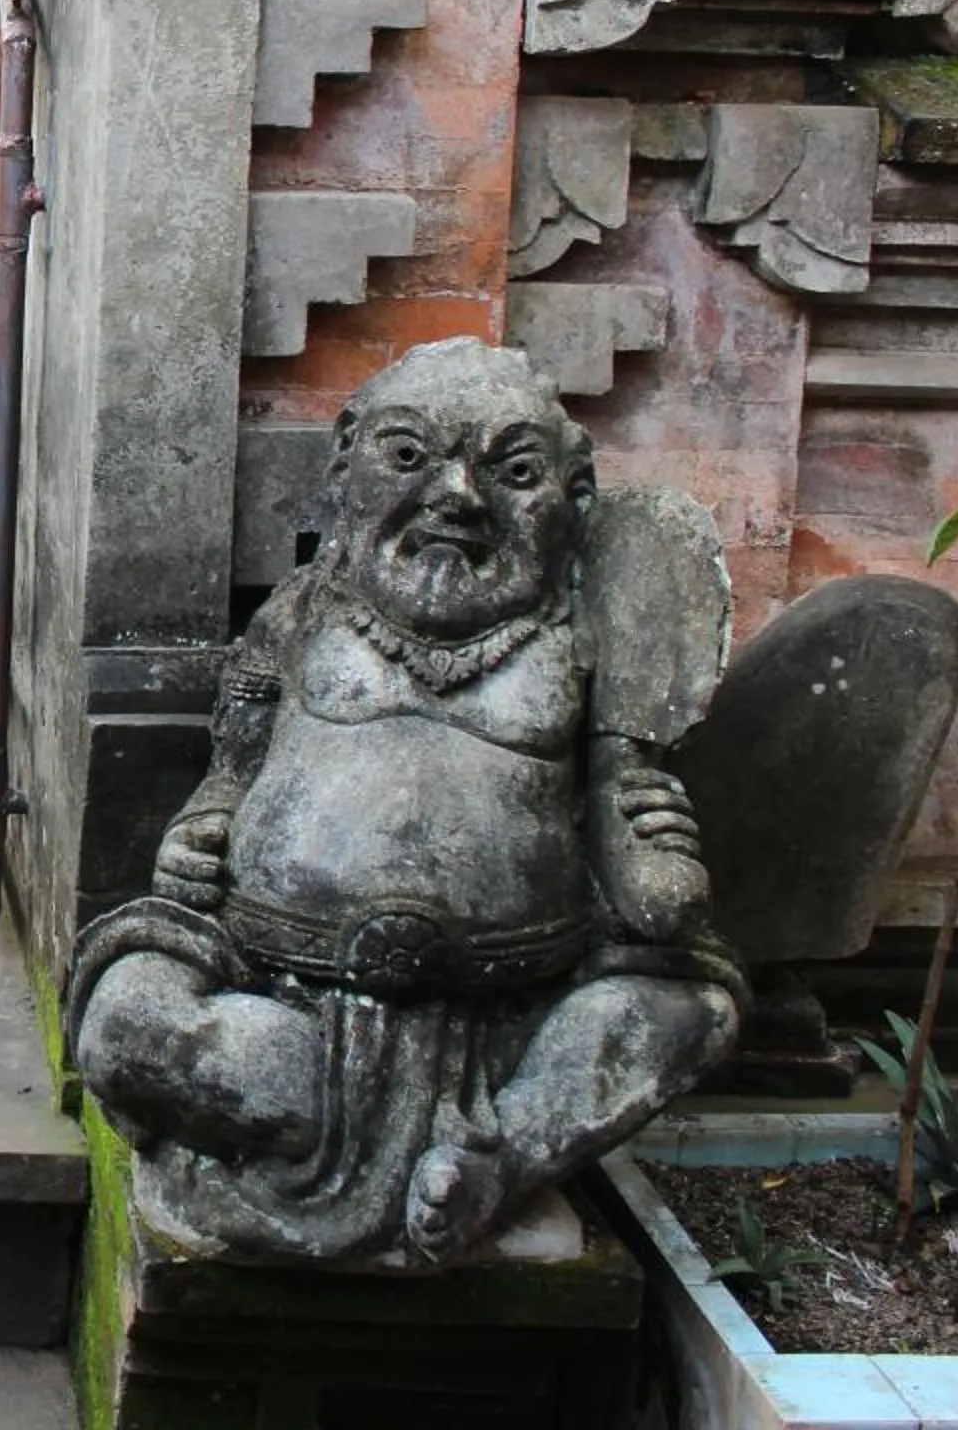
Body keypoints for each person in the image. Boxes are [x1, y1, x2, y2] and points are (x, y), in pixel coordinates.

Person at [68, 341, 741, 1264]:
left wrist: (654, 849)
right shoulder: (302, 614)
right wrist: (197, 835)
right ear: (345, 469)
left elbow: (651, 890)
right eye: (410, 456)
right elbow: (231, 773)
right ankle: (308, 1118)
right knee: (123, 1020)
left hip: (506, 1008)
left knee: (684, 1015)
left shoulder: (581, 639)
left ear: (572, 504)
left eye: (513, 471)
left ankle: (499, 1157)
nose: (459, 496)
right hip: (275, 978)